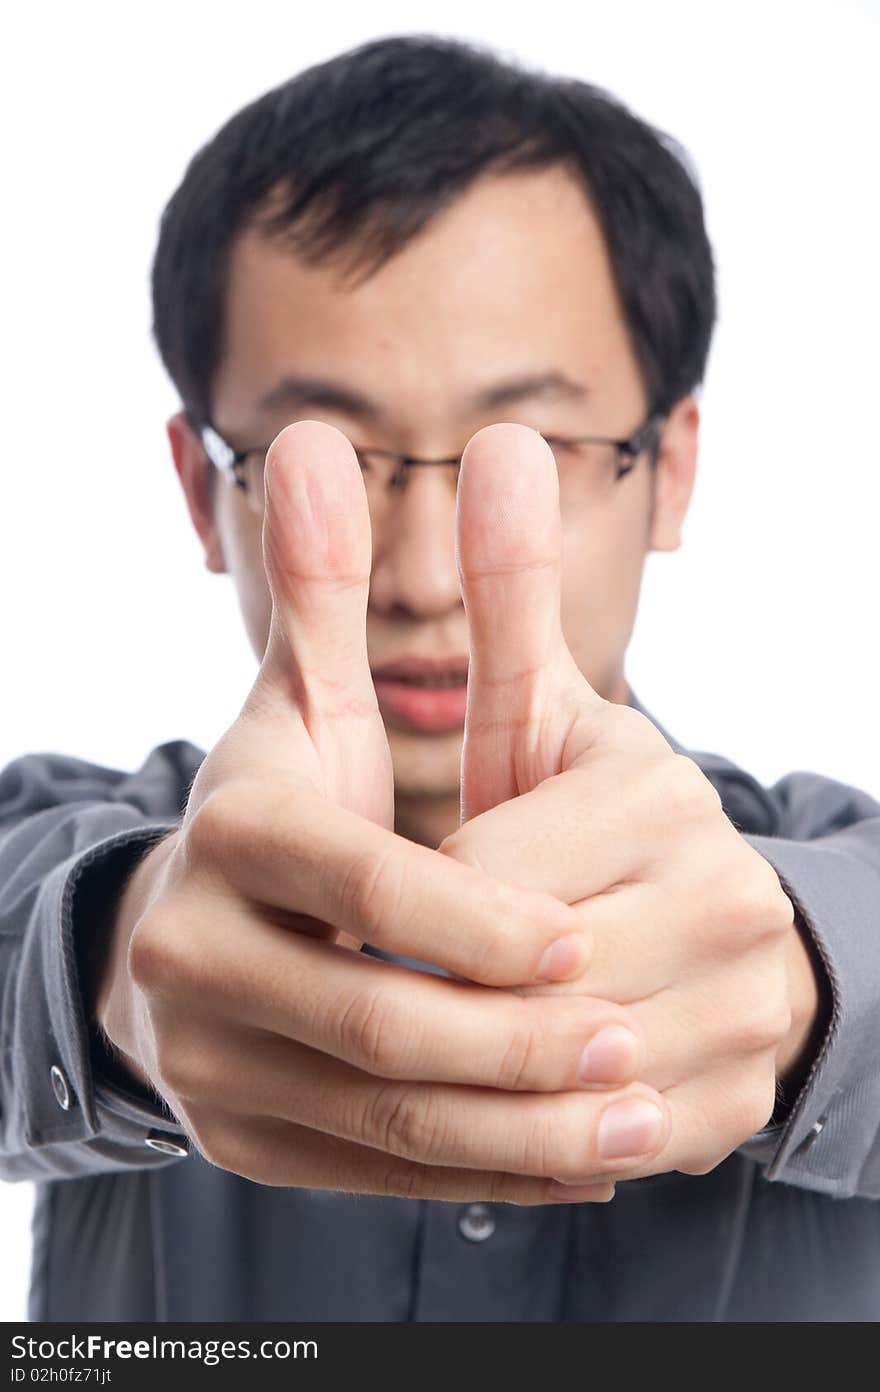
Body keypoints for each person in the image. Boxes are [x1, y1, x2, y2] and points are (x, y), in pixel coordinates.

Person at [2, 34, 878, 1325]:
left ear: (671, 467)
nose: (421, 575)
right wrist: (117, 974)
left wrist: (799, 989)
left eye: (529, 447)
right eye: (334, 454)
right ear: (203, 491)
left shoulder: (825, 863)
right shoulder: (69, 851)